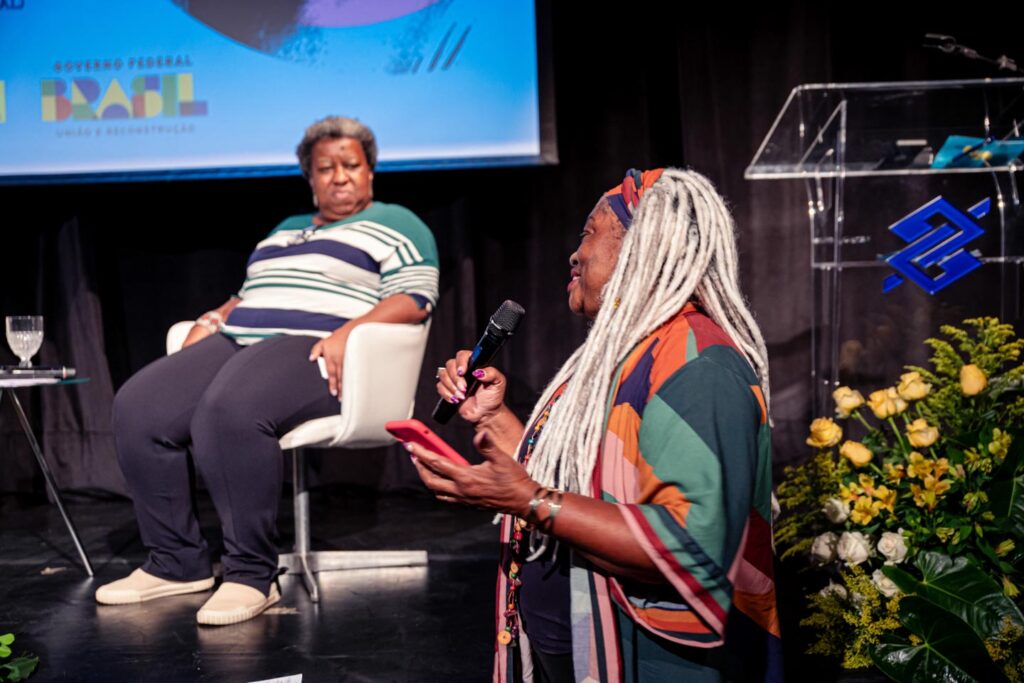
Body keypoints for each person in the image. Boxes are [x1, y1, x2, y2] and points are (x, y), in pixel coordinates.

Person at [410, 169, 781, 682]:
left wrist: (528, 502)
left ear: (641, 247)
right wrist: (494, 418)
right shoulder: (628, 352)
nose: (574, 253)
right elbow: (575, 485)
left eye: (589, 233)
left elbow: (691, 544)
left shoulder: (698, 364)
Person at [95, 116, 439, 626]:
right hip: (239, 340)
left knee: (230, 408)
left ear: (370, 170)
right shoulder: (285, 229)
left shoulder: (398, 223)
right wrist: (213, 319)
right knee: (139, 407)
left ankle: (252, 574)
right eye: (326, 168)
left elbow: (415, 298)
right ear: (310, 177)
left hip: (318, 350)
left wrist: (349, 331)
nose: (339, 176)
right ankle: (176, 562)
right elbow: (250, 294)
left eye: (350, 165)